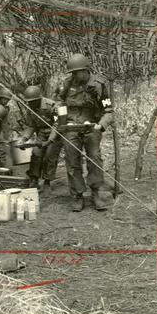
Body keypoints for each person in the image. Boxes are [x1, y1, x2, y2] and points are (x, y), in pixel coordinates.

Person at [57, 53, 114, 212]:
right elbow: (59, 103)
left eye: (77, 72)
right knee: (71, 160)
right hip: (71, 126)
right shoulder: (67, 84)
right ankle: (77, 195)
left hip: (92, 125)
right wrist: (61, 119)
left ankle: (95, 193)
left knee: (94, 157)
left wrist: (101, 125)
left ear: (86, 70)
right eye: (72, 73)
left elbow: (109, 110)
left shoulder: (99, 85)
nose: (74, 75)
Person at [19, 85, 63, 191]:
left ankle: (47, 181)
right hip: (41, 133)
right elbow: (31, 125)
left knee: (49, 155)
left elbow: (57, 124)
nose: (30, 104)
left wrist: (50, 140)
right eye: (28, 102)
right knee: (36, 153)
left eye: (32, 101)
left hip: (55, 133)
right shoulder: (30, 109)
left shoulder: (51, 106)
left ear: (38, 99)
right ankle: (34, 179)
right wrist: (24, 139)